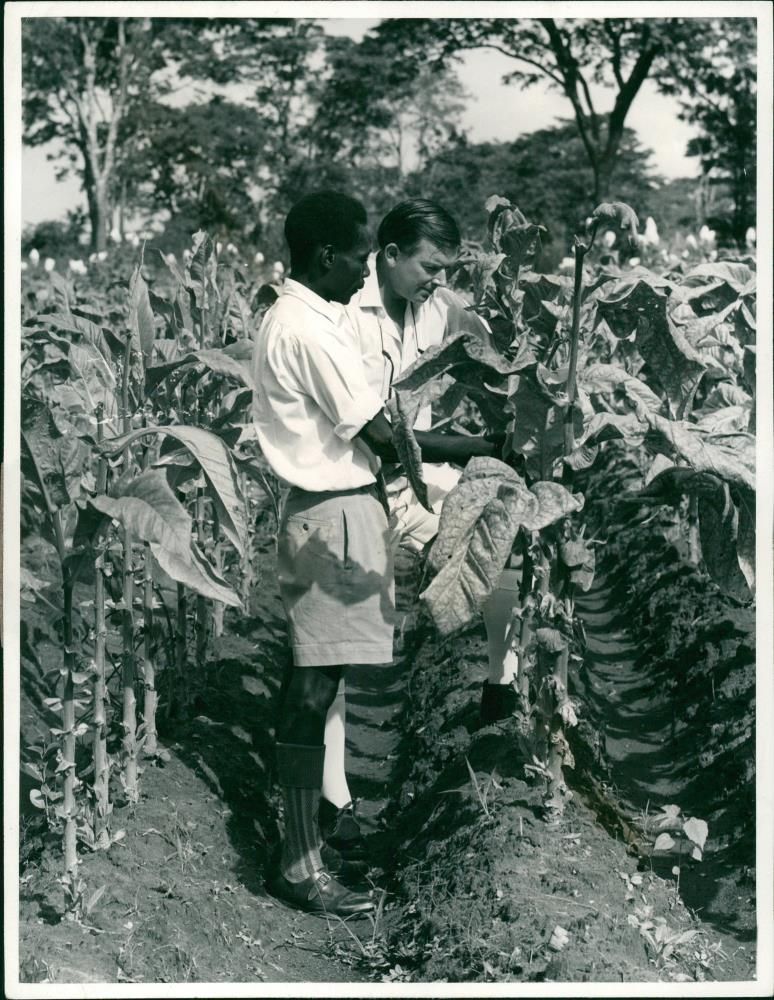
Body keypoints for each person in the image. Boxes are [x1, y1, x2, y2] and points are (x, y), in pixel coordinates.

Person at [252, 191, 499, 917]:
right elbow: (386, 434)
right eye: (360, 254)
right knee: (312, 690)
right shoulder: (309, 329)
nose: (365, 268)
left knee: (322, 683)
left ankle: (313, 838)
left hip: (340, 512)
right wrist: (482, 449)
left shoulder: (307, 318)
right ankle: (299, 865)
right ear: (326, 254)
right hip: (332, 514)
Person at [315, 200, 523, 869]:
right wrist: (470, 443)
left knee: (501, 541)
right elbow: (380, 430)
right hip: (348, 484)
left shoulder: (440, 309)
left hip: (415, 487)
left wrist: (518, 391)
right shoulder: (345, 317)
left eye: (446, 269)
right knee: (338, 642)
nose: (438, 280)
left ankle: (500, 681)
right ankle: (333, 796)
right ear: (390, 253)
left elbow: (485, 352)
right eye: (429, 267)